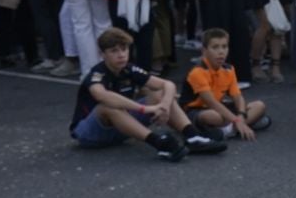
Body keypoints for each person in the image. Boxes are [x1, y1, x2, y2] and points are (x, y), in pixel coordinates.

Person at [69, 25, 220, 161]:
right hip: (89, 134)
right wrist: (144, 109)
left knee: (160, 94)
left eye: (124, 49)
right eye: (114, 51)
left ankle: (193, 137)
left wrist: (164, 106)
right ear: (102, 54)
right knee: (107, 106)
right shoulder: (98, 73)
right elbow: (101, 95)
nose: (121, 55)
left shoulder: (129, 69)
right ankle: (159, 143)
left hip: (121, 128)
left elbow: (167, 84)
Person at [185, 27, 270, 138]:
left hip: (221, 108)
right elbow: (211, 102)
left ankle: (228, 130)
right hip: (197, 110)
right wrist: (236, 120)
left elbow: (237, 97)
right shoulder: (197, 72)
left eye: (224, 47)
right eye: (215, 47)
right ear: (204, 51)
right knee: (213, 116)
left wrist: (240, 115)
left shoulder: (229, 69)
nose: (221, 52)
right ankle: (237, 127)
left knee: (259, 105)